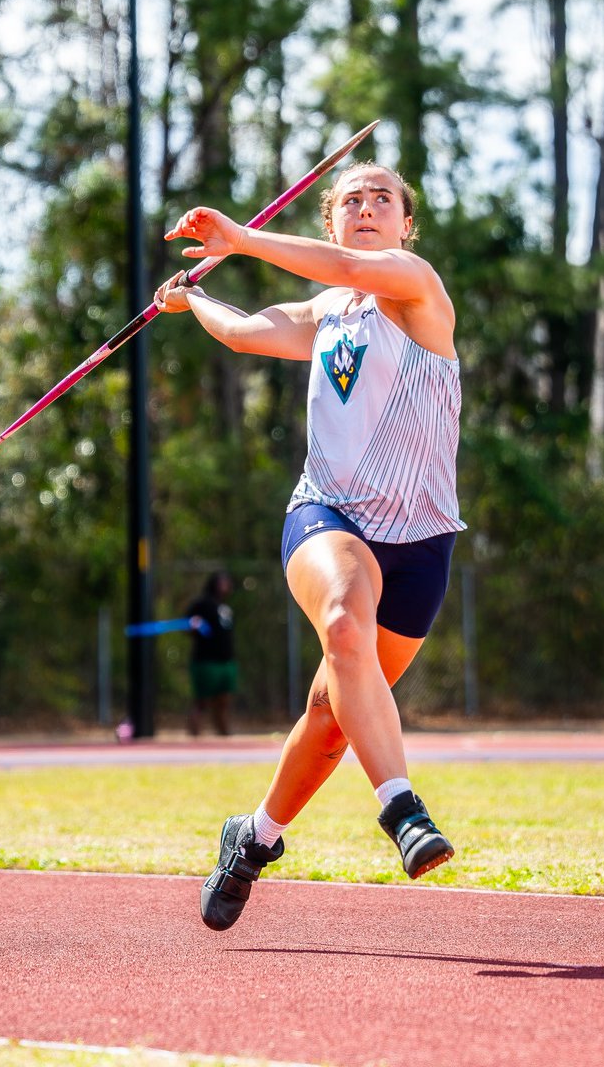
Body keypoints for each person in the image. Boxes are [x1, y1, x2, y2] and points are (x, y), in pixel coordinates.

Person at [154, 157, 466, 931]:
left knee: (334, 713)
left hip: (422, 540)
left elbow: (345, 266)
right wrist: (193, 301)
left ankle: (253, 837)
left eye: (382, 199)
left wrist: (242, 237)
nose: (367, 207)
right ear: (330, 216)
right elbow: (245, 332)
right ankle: (402, 810)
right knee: (341, 626)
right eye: (352, 199)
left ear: (405, 223)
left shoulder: (414, 284)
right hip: (330, 515)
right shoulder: (326, 315)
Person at [185, 570, 238, 737]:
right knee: (201, 702)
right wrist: (192, 624)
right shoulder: (201, 604)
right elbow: (188, 624)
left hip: (226, 661)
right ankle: (193, 738)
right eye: (222, 581)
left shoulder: (225, 607)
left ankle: (224, 737)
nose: (225, 585)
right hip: (206, 661)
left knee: (223, 702)